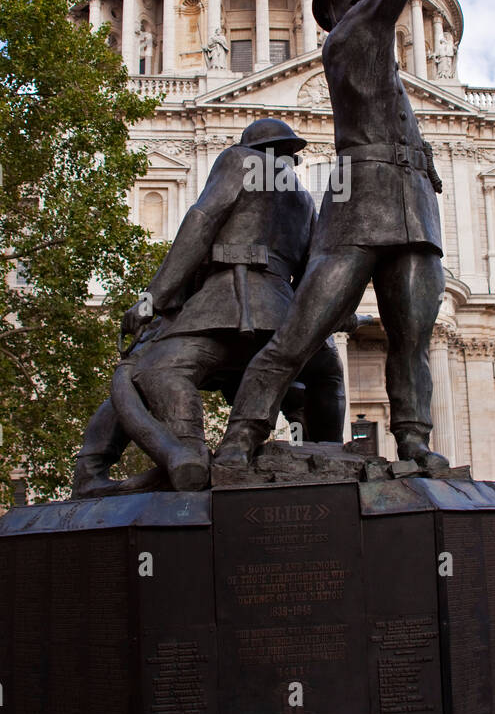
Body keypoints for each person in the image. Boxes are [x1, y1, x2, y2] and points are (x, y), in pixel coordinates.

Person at [215, 0, 463, 471]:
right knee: (302, 330)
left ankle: (414, 440)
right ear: (335, 12)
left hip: (413, 209)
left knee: (413, 339)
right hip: (359, 207)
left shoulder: (392, 73)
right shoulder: (352, 39)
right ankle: (243, 432)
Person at [72, 119, 347, 496]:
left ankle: (183, 454)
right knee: (319, 378)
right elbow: (314, 269)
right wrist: (326, 323)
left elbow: (201, 222)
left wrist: (152, 298)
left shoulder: (240, 160)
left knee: (152, 370)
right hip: (283, 317)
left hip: (230, 306)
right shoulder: (303, 199)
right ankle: (328, 458)